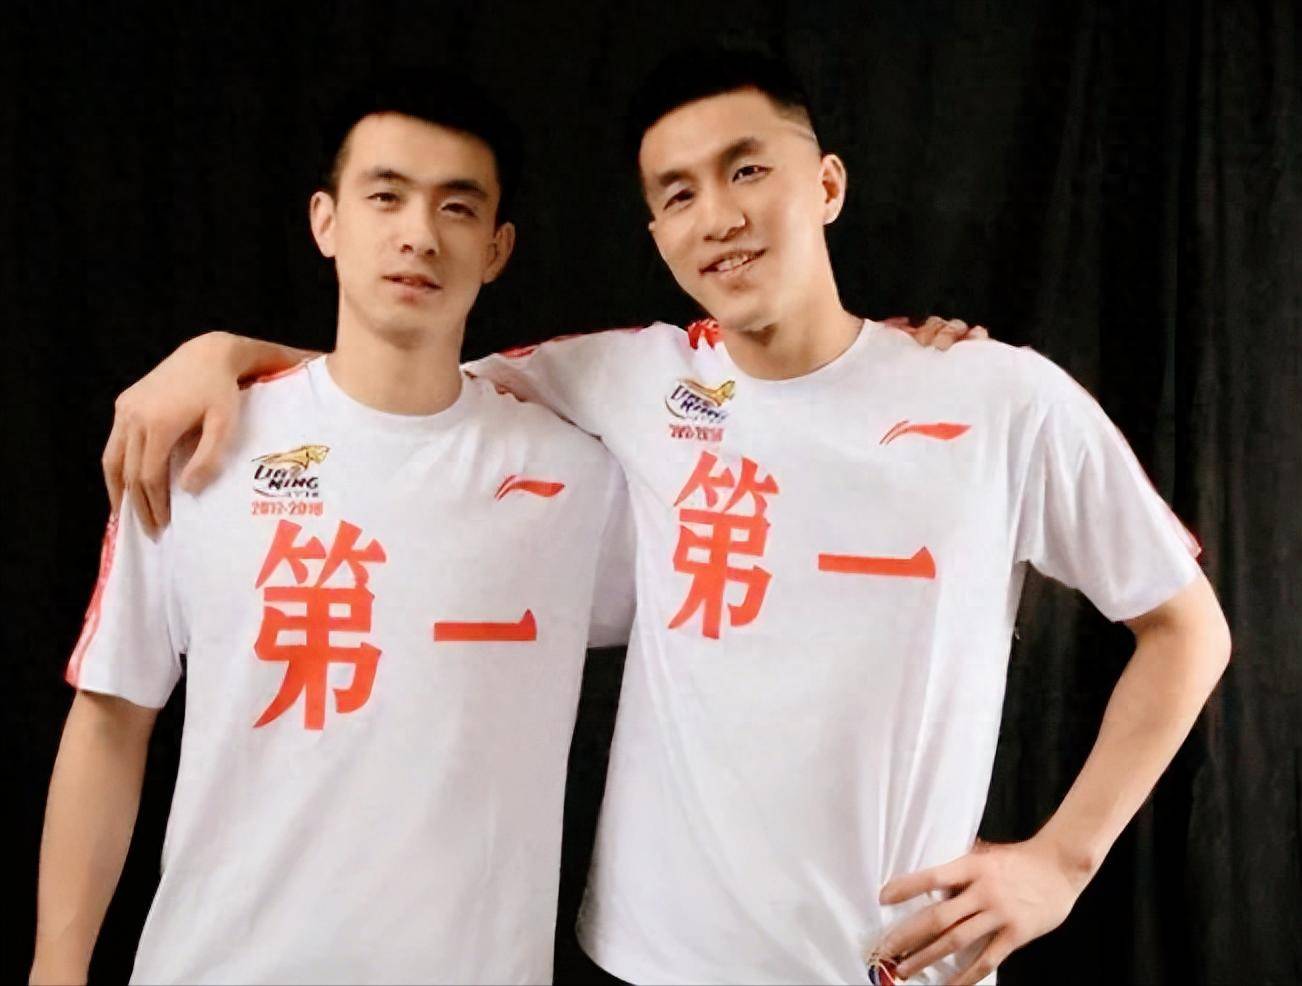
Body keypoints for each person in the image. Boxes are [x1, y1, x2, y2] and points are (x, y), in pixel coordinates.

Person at [98, 47, 1230, 986]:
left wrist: (1063, 860)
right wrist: (221, 354)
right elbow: (399, 377)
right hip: (649, 960)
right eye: (678, 194)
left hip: (897, 960)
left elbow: (1188, 630)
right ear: (656, 235)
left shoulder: (1002, 399)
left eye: (748, 170)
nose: (719, 216)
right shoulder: (628, 378)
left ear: (827, 185)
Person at [30, 74, 638, 985]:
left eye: (457, 207)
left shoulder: (578, 482)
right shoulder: (201, 446)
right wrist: (57, 966)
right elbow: (112, 717)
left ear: (497, 248)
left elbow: (727, 651)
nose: (418, 234)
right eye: (385, 196)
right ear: (327, 221)